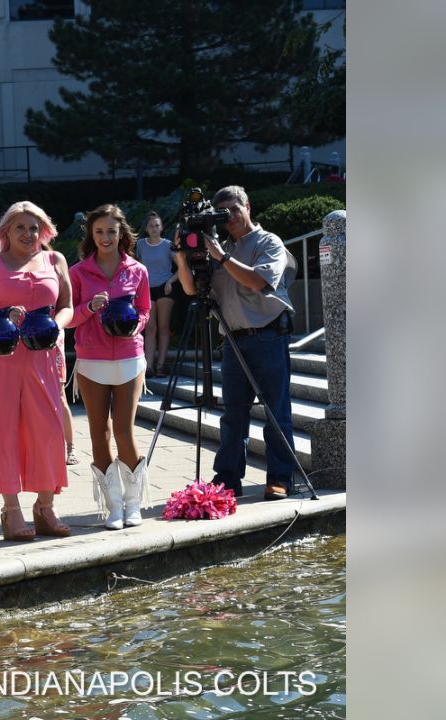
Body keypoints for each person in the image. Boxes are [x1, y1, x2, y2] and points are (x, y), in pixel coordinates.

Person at [172, 185, 297, 500]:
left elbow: (259, 281)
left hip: (268, 335)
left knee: (275, 412)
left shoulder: (268, 242)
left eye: (233, 210)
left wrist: (223, 256)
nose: (229, 219)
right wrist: (182, 258)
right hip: (232, 340)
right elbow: (191, 290)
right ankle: (227, 478)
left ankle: (280, 478)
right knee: (233, 415)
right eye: (222, 213)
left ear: (248, 207)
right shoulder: (216, 247)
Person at [0, 202, 74, 540]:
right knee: (4, 429)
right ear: (6, 232)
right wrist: (4, 319)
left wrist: (58, 327)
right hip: (2, 357)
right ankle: (11, 511)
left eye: (34, 227)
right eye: (20, 227)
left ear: (44, 230)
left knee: (48, 428)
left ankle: (45, 506)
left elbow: (67, 306)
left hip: (43, 354)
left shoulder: (55, 260)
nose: (28, 234)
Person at [67, 204, 152, 530]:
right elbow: (69, 317)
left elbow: (144, 310)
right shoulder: (77, 273)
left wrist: (137, 325)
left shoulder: (137, 271)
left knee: (123, 430)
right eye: (99, 231)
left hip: (130, 357)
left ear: (122, 234)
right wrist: (89, 307)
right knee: (98, 432)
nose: (105, 237)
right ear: (91, 234)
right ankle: (112, 505)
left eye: (111, 231)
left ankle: (134, 504)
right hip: (91, 359)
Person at [136, 211, 182, 377]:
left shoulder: (168, 245)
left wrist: (170, 281)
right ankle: (148, 366)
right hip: (147, 289)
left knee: (163, 327)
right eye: (151, 226)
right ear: (147, 229)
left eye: (157, 225)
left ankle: (161, 365)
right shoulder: (141, 244)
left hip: (165, 288)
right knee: (150, 328)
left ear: (161, 227)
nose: (154, 229)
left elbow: (182, 267)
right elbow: (138, 266)